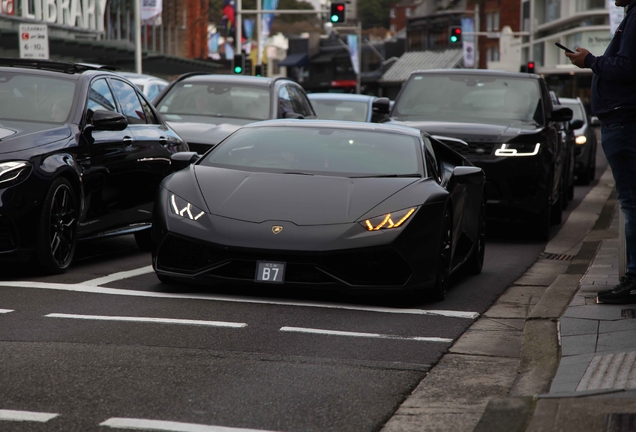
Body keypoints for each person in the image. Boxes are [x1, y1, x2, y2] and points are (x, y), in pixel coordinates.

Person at [565, 0, 636, 304]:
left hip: (623, 122)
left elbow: (626, 66)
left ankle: (633, 279)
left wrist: (590, 61)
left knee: (631, 203)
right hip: (621, 121)